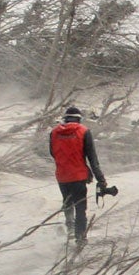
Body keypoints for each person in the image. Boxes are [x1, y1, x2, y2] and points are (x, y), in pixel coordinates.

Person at [49, 105, 112, 246]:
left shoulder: (53, 133)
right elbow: (93, 159)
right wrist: (101, 180)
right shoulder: (84, 131)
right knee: (80, 207)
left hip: (61, 176)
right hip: (78, 177)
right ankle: (80, 238)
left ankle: (70, 228)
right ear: (79, 119)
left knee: (67, 201)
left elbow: (53, 153)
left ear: (65, 119)